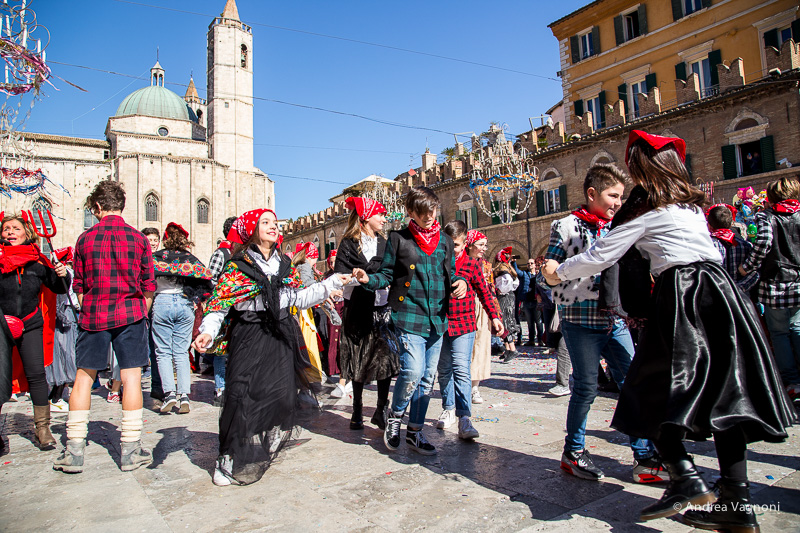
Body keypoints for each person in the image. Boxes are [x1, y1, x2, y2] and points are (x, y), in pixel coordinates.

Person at [542, 130, 794, 530]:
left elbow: (602, 254)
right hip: (723, 294)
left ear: (642, 167)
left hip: (685, 295)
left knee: (647, 388)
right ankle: (737, 502)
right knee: (727, 396)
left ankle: (685, 477)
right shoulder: (692, 208)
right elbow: (712, 253)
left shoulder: (646, 210)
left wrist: (559, 273)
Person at [192, 209, 349, 486]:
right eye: (265, 223)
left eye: (275, 223)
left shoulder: (285, 266)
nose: (273, 227)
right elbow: (219, 304)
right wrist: (207, 331)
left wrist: (332, 282)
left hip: (281, 332)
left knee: (283, 392)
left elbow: (299, 298)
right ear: (252, 229)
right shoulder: (237, 266)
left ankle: (274, 427)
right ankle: (227, 455)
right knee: (239, 393)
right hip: (249, 333)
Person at [538, 162, 664, 484]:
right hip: (580, 319)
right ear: (592, 193)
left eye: (621, 197)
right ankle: (574, 452)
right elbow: (550, 269)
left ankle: (644, 456)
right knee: (586, 388)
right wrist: (551, 271)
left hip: (616, 316)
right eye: (613, 196)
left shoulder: (620, 226)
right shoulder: (565, 226)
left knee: (632, 382)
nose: (618, 203)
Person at [352, 186, 467, 455]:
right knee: (413, 371)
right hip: (408, 316)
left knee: (427, 378)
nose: (429, 217)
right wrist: (368, 280)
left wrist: (459, 282)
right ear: (411, 212)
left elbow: (450, 274)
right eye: (423, 212)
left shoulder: (445, 241)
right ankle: (395, 415)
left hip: (437, 318)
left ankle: (415, 432)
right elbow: (387, 275)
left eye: (433, 211)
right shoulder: (399, 239)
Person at [54, 181, 156, 473]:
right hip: (131, 314)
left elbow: (81, 285)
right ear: (122, 206)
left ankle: (74, 450)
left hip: (94, 315)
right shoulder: (138, 239)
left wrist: (89, 307)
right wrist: (140, 312)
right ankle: (131, 449)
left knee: (84, 378)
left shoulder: (85, 240)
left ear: (97, 207)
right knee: (132, 379)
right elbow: (148, 285)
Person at [0, 213, 70, 451]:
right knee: (0, 377)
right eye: (6, 228)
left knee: (37, 375)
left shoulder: (38, 262)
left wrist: (62, 274)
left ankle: (42, 428)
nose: (10, 232)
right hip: (1, 324)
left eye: (15, 228)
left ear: (26, 233)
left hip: (30, 323)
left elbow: (58, 288)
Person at [334, 197, 399, 430]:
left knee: (384, 358)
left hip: (382, 307)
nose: (384, 218)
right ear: (366, 217)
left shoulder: (386, 243)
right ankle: (357, 409)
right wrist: (359, 277)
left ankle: (381, 408)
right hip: (358, 307)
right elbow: (339, 275)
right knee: (359, 357)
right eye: (380, 214)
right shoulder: (349, 244)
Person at [436, 220, 504, 439]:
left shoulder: (473, 265)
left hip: (464, 324)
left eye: (455, 245)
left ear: (464, 243)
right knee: (444, 369)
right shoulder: (437, 262)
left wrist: (495, 316)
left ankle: (465, 417)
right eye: (447, 244)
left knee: (461, 368)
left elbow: (485, 292)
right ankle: (448, 409)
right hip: (440, 323)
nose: (451, 249)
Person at [738, 176, 800, 402]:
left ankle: (792, 382)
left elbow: (762, 244)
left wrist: (746, 267)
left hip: (775, 283)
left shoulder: (766, 217)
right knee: (796, 328)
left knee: (780, 333)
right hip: (798, 282)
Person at [151, 222, 213, 414]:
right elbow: (207, 280)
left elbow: (144, 279)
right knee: (180, 352)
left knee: (162, 352)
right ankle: (184, 395)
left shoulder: (156, 258)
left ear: (165, 239)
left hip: (162, 301)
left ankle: (169, 393)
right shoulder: (189, 259)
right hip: (185, 304)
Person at [206, 216, 238, 406]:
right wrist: (226, 292)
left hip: (240, 309)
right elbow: (210, 278)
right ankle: (221, 389)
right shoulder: (221, 254)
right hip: (224, 309)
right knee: (220, 350)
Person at [46, 246, 79, 412]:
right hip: (65, 316)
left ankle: (57, 394)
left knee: (64, 355)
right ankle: (55, 396)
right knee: (65, 355)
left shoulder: (64, 271)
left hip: (64, 316)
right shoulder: (65, 272)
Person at [464, 230, 494, 404]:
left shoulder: (487, 266)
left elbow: (490, 291)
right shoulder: (460, 263)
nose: (484, 248)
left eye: (485, 245)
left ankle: (475, 387)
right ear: (470, 245)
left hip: (482, 308)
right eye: (481, 244)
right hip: (465, 305)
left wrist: (495, 315)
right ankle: (462, 384)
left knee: (481, 344)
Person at [705, 204, 758, 293]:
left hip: (715, 295)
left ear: (709, 226)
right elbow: (754, 272)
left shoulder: (706, 246)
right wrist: (739, 289)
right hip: (740, 300)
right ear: (731, 224)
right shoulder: (745, 246)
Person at [493, 249, 521, 363]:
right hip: (509, 296)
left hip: (504, 297)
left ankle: (512, 349)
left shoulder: (503, 269)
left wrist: (501, 289)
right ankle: (507, 349)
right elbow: (516, 282)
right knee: (505, 321)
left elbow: (509, 281)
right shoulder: (509, 268)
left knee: (505, 322)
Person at [513, 257, 543, 347]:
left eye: (531, 263)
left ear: (534, 265)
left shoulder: (538, 275)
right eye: (528, 263)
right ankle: (531, 340)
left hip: (536, 301)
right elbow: (517, 272)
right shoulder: (524, 274)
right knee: (529, 322)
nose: (529, 265)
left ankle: (540, 339)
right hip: (527, 301)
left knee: (538, 322)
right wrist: (514, 263)